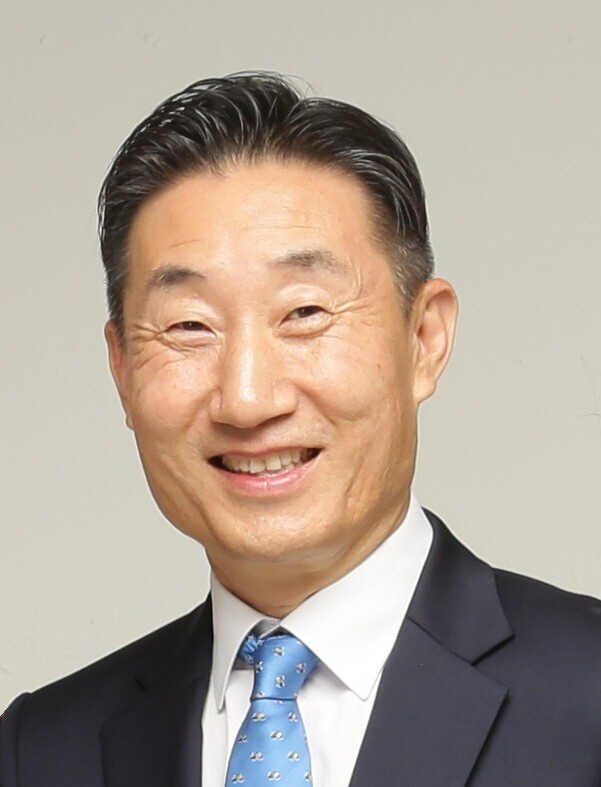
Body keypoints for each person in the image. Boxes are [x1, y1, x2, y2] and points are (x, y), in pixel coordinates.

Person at [1, 72, 600, 787]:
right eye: (189, 326)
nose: (247, 399)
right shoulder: (41, 751)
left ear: (424, 338)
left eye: (305, 313)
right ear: (122, 367)